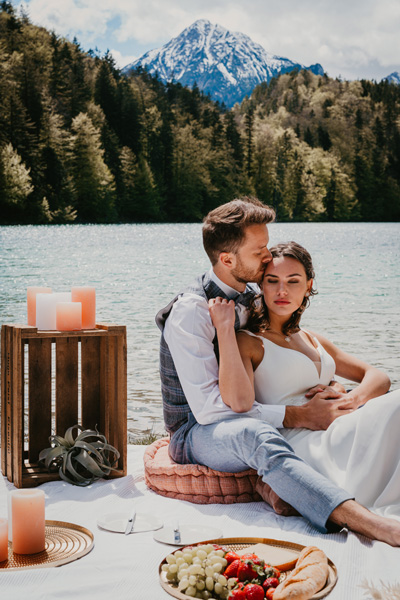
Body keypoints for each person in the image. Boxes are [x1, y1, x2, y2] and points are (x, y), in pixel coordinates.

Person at [156, 197, 400, 546]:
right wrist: (299, 414)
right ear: (227, 259)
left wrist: (329, 385)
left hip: (247, 412)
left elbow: (284, 339)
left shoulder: (254, 289)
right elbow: (211, 411)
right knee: (251, 435)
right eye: (260, 251)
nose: (268, 257)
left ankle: (273, 484)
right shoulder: (191, 312)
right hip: (196, 430)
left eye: (267, 246)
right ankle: (366, 522)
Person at [209, 240, 400, 524]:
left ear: (309, 285)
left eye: (293, 281)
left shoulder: (312, 338)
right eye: (272, 281)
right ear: (261, 286)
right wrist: (224, 330)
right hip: (302, 443)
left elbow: (378, 377)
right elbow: (238, 403)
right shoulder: (249, 342)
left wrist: (350, 398)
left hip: (343, 424)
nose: (282, 291)